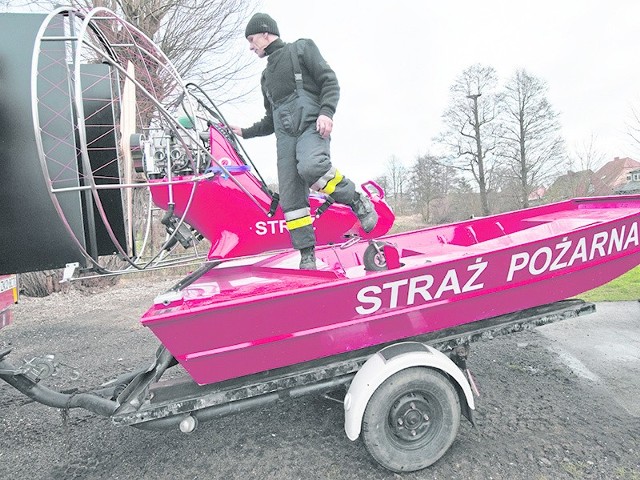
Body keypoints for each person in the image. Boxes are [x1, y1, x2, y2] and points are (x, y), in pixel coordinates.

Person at [231, 13, 378, 270]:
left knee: (311, 167)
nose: (250, 46)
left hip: (311, 125)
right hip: (285, 139)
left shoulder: (301, 49)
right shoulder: (266, 78)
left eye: (252, 39)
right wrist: (244, 131)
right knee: (291, 199)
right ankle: (307, 254)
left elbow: (329, 82)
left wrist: (326, 112)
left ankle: (355, 199)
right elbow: (270, 120)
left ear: (266, 33)